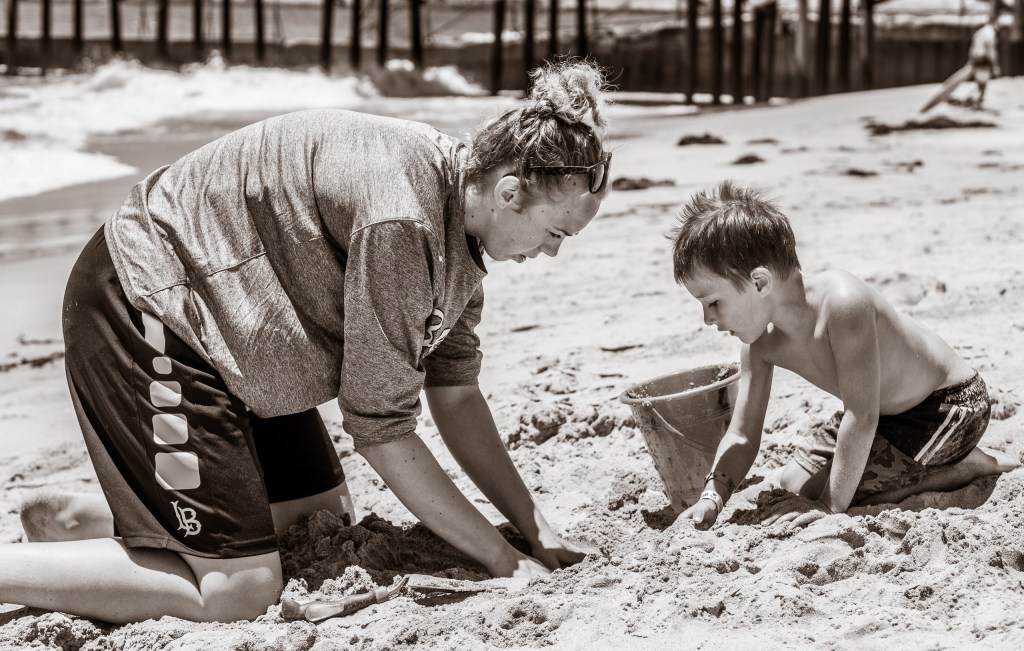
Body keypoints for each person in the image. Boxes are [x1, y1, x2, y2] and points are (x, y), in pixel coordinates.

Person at [1, 59, 613, 624]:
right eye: (556, 232)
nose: (554, 252)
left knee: (314, 527)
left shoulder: (463, 222)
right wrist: (503, 563)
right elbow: (382, 429)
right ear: (510, 192)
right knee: (238, 591)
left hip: (239, 332)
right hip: (151, 303)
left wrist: (535, 527)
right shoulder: (405, 221)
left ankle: (72, 522)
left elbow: (455, 395)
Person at [670, 181, 1018, 531]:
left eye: (713, 303)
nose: (708, 319)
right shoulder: (759, 346)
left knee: (846, 492)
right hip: (882, 414)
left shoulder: (842, 302)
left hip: (946, 409)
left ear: (760, 283)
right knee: (793, 483)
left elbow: (861, 415)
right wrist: (712, 496)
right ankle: (926, 465)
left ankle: (967, 465)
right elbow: (743, 435)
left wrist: (830, 507)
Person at [966, 11, 1000, 109]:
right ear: (995, 23)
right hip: (983, 58)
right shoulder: (990, 32)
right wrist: (995, 65)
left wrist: (970, 61)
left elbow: (972, 47)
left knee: (978, 81)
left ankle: (975, 100)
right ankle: (978, 102)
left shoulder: (979, 32)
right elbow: (991, 50)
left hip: (975, 57)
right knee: (983, 82)